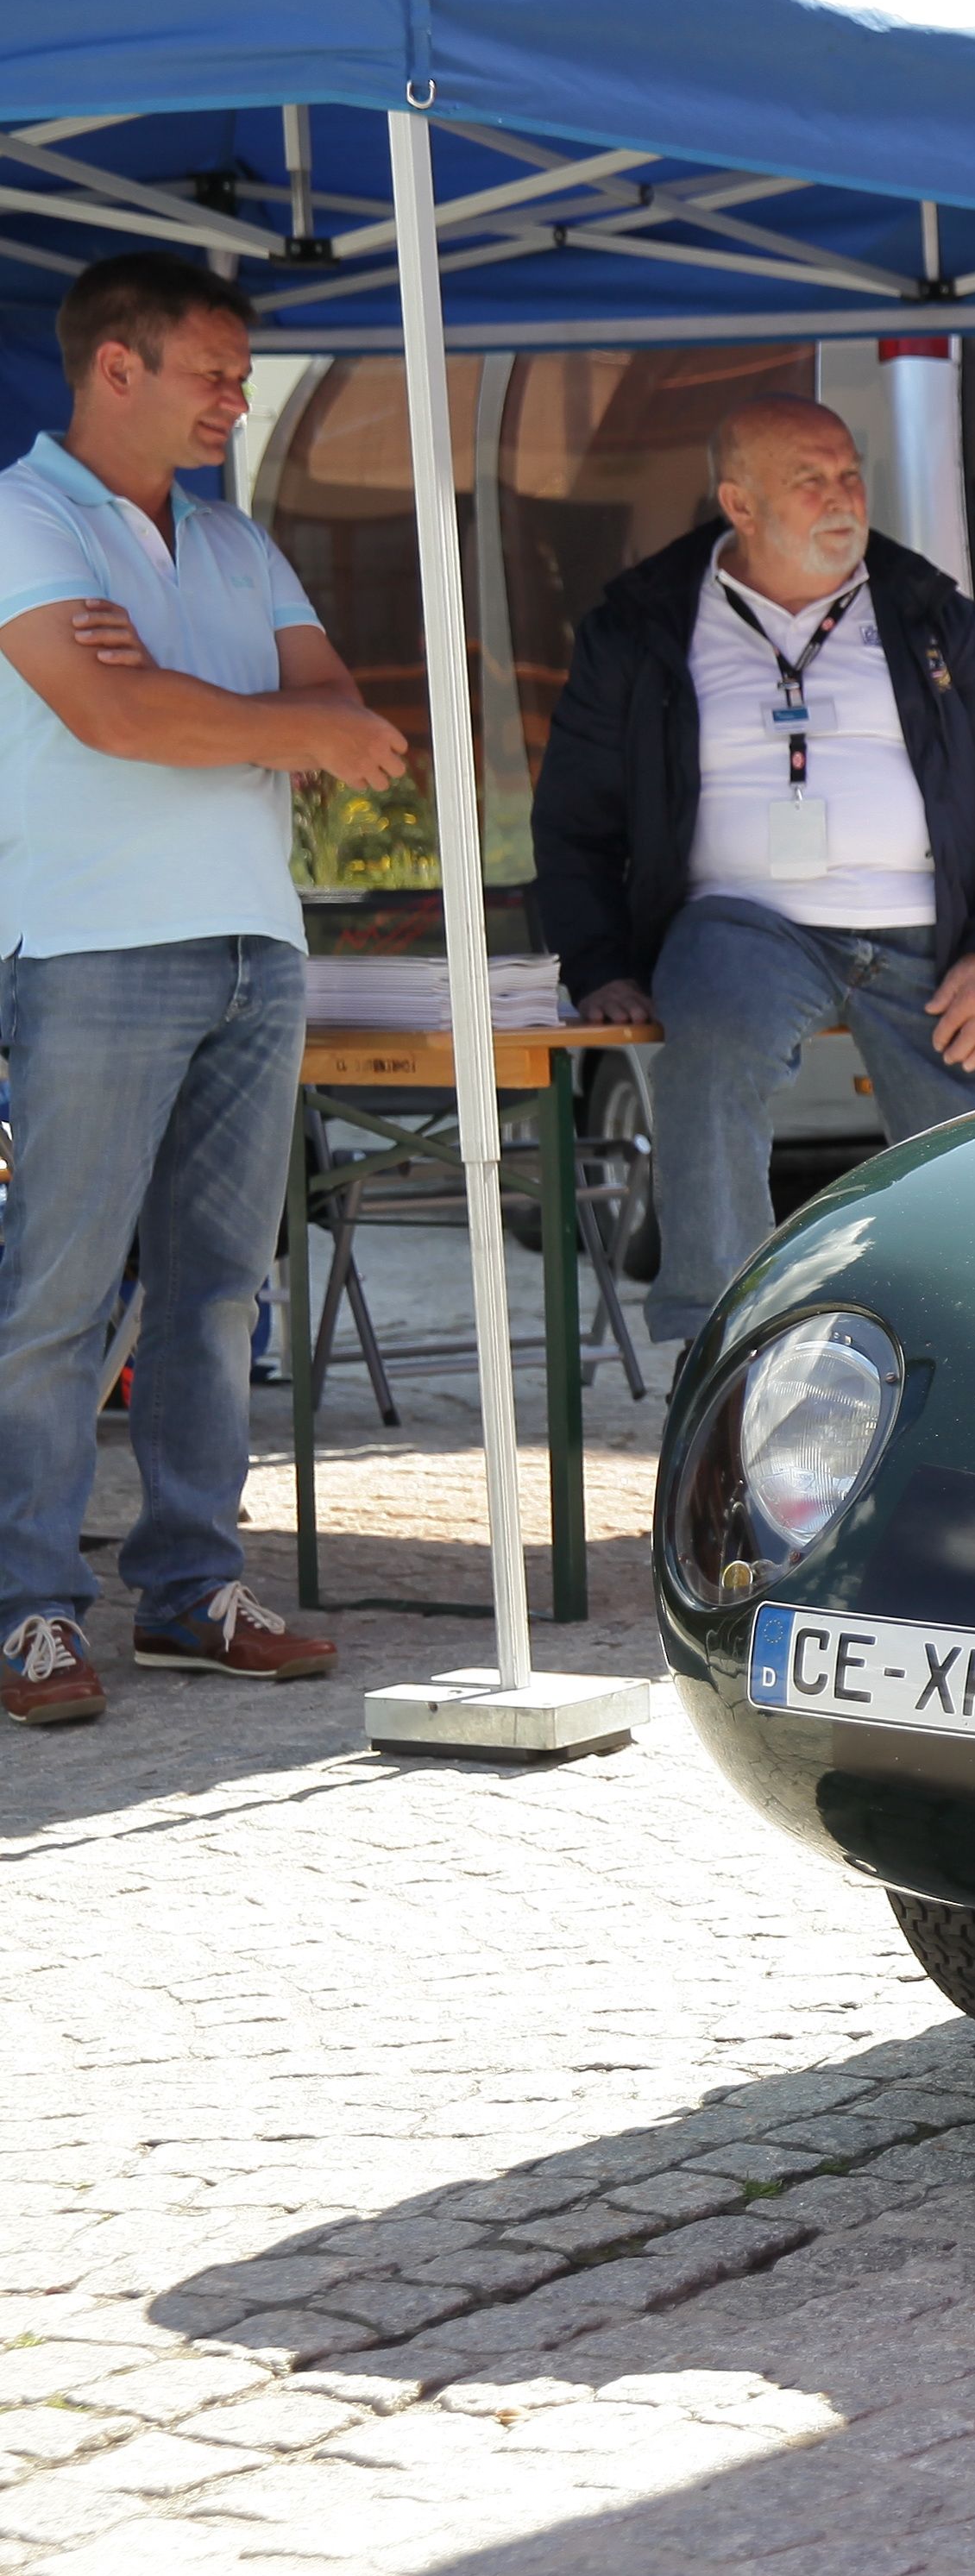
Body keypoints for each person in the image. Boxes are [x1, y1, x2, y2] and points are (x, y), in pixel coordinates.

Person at [0, 253, 413, 1727]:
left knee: (217, 1291)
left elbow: (350, 723)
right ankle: (27, 1612)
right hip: (91, 941)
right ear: (117, 366)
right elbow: (106, 711)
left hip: (259, 941)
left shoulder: (237, 542)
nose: (241, 398)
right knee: (57, 1294)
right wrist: (246, 716)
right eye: (216, 372)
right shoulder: (18, 514)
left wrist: (197, 704)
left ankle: (190, 1590)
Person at [533, 397, 975, 1346]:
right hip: (748, 921)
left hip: (927, 933)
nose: (843, 498)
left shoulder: (928, 613)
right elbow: (574, 816)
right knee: (712, 1037)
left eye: (851, 473)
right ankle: (722, 1339)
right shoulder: (644, 624)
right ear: (738, 503)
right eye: (810, 479)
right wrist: (599, 962)